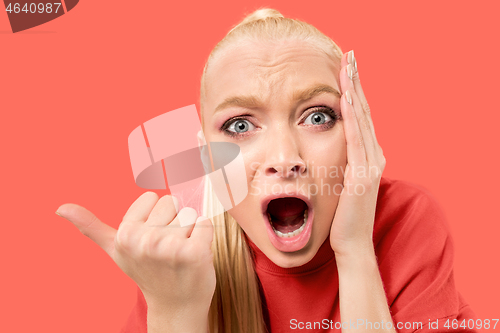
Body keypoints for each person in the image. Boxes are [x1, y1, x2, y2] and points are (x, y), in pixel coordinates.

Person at [56, 8, 478, 333]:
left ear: (358, 131)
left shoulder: (407, 221)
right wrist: (175, 309)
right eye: (240, 126)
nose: (284, 156)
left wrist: (354, 251)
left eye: (317, 117)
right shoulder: (177, 257)